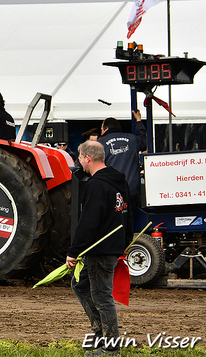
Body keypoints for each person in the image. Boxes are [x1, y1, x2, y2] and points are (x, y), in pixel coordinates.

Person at [66, 141, 132, 356]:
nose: (78, 162)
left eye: (79, 157)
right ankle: (100, 332)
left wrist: (73, 251)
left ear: (88, 158)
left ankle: (111, 348)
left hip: (100, 250)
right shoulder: (119, 181)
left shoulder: (96, 184)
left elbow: (88, 222)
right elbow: (127, 215)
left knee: (102, 297)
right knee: (80, 285)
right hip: (111, 247)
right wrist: (125, 243)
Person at [97, 110, 147, 206]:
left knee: (115, 220)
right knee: (131, 219)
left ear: (105, 129)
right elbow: (143, 140)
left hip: (111, 192)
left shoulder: (99, 143)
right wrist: (139, 121)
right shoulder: (132, 139)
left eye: (101, 129)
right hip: (132, 191)